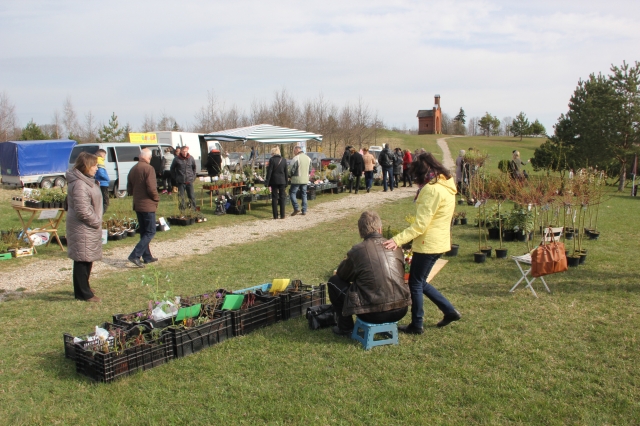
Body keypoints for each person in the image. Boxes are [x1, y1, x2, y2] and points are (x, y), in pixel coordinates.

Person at [383, 152, 461, 333]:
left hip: (429, 243)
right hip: (439, 241)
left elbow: (420, 225)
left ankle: (417, 324)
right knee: (420, 281)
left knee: (415, 283)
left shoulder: (432, 190)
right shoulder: (445, 185)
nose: (417, 181)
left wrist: (397, 240)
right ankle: (449, 311)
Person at [328, 211, 411, 336]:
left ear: (361, 231)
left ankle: (345, 327)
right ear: (380, 229)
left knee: (334, 282)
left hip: (373, 313)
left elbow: (341, 275)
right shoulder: (395, 247)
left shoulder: (357, 250)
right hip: (401, 308)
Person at [65, 152, 102, 302]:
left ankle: (84, 287)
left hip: (88, 227)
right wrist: (96, 221)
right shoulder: (80, 184)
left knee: (87, 258)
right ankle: (83, 293)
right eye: (94, 165)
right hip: (83, 227)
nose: (96, 168)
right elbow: (82, 211)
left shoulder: (86, 181)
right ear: (86, 166)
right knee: (82, 259)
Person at [127, 148, 160, 268]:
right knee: (151, 231)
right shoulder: (148, 168)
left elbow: (129, 188)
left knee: (144, 231)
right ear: (148, 157)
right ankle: (135, 255)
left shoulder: (133, 168)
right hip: (147, 204)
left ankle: (147, 256)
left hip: (138, 204)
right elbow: (151, 188)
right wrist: (156, 198)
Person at [171, 145, 197, 211]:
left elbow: (194, 168)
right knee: (181, 197)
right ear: (181, 151)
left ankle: (193, 209)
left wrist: (193, 177)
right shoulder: (176, 159)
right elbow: (172, 169)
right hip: (180, 181)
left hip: (189, 181)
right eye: (183, 151)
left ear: (187, 151)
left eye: (186, 151)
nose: (185, 153)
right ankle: (182, 210)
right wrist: (175, 177)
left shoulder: (191, 158)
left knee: (191, 196)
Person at [265, 146, 288, 219]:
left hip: (274, 181)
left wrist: (267, 182)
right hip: (282, 181)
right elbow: (286, 172)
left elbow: (270, 171)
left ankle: (275, 215)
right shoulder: (284, 160)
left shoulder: (272, 160)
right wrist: (286, 182)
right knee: (282, 197)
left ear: (273, 153)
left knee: (274, 198)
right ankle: (283, 215)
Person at [289, 146, 311, 216]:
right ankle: (304, 210)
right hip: (305, 179)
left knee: (292, 193)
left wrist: (289, 176)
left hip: (296, 179)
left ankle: (296, 207)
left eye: (294, 151)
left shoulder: (296, 158)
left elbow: (291, 170)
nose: (294, 153)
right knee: (304, 194)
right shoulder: (308, 158)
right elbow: (310, 170)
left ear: (297, 150)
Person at [94, 149, 110, 214]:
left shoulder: (95, 160)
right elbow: (101, 173)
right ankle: (101, 214)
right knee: (105, 201)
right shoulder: (100, 161)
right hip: (103, 183)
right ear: (102, 154)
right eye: (104, 155)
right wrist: (107, 179)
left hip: (98, 183)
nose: (105, 157)